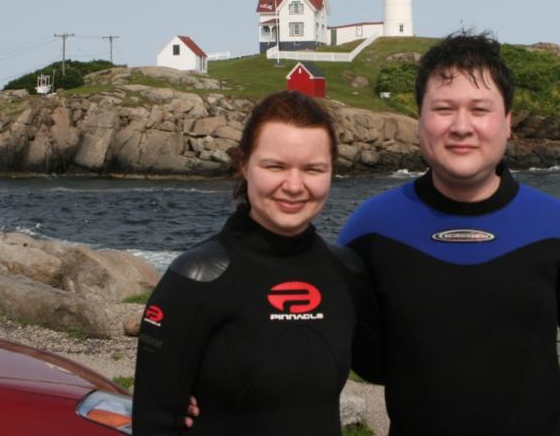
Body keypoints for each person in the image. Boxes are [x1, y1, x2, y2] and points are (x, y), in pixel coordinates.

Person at [338, 32, 560, 435]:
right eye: (443, 108)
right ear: (420, 121)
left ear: (507, 122)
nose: (461, 126)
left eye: (480, 109)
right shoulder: (371, 227)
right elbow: (342, 353)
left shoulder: (557, 228)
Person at [133, 90, 379, 435]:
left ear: (331, 171)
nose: (294, 186)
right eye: (275, 166)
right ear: (244, 163)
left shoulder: (348, 273)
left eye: (313, 169)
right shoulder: (196, 278)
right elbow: (153, 423)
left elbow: (392, 368)